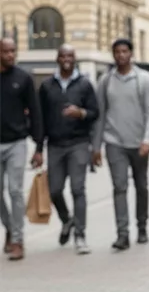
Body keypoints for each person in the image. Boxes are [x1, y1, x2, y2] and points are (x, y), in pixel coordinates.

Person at [92, 39, 149, 250]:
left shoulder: (144, 79)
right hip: (114, 143)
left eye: (124, 51)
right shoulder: (105, 81)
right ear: (113, 55)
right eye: (117, 52)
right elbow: (100, 115)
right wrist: (96, 146)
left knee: (141, 186)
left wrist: (148, 139)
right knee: (119, 187)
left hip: (139, 143)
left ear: (131, 53)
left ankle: (142, 227)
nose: (121, 55)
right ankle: (122, 233)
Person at [37, 44, 99, 255]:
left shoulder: (84, 84)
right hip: (55, 145)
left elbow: (95, 112)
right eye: (63, 56)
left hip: (78, 143)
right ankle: (67, 220)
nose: (66, 59)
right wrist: (38, 148)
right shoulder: (47, 86)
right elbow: (40, 118)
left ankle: (80, 235)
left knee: (77, 189)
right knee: (54, 190)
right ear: (57, 58)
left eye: (70, 56)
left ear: (75, 59)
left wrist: (80, 113)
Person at [0, 37, 43, 261]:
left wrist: (39, 147)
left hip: (16, 143)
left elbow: (35, 112)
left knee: (15, 191)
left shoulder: (23, 78)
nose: (10, 55)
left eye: (13, 51)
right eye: (6, 51)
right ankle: (9, 226)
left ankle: (17, 240)